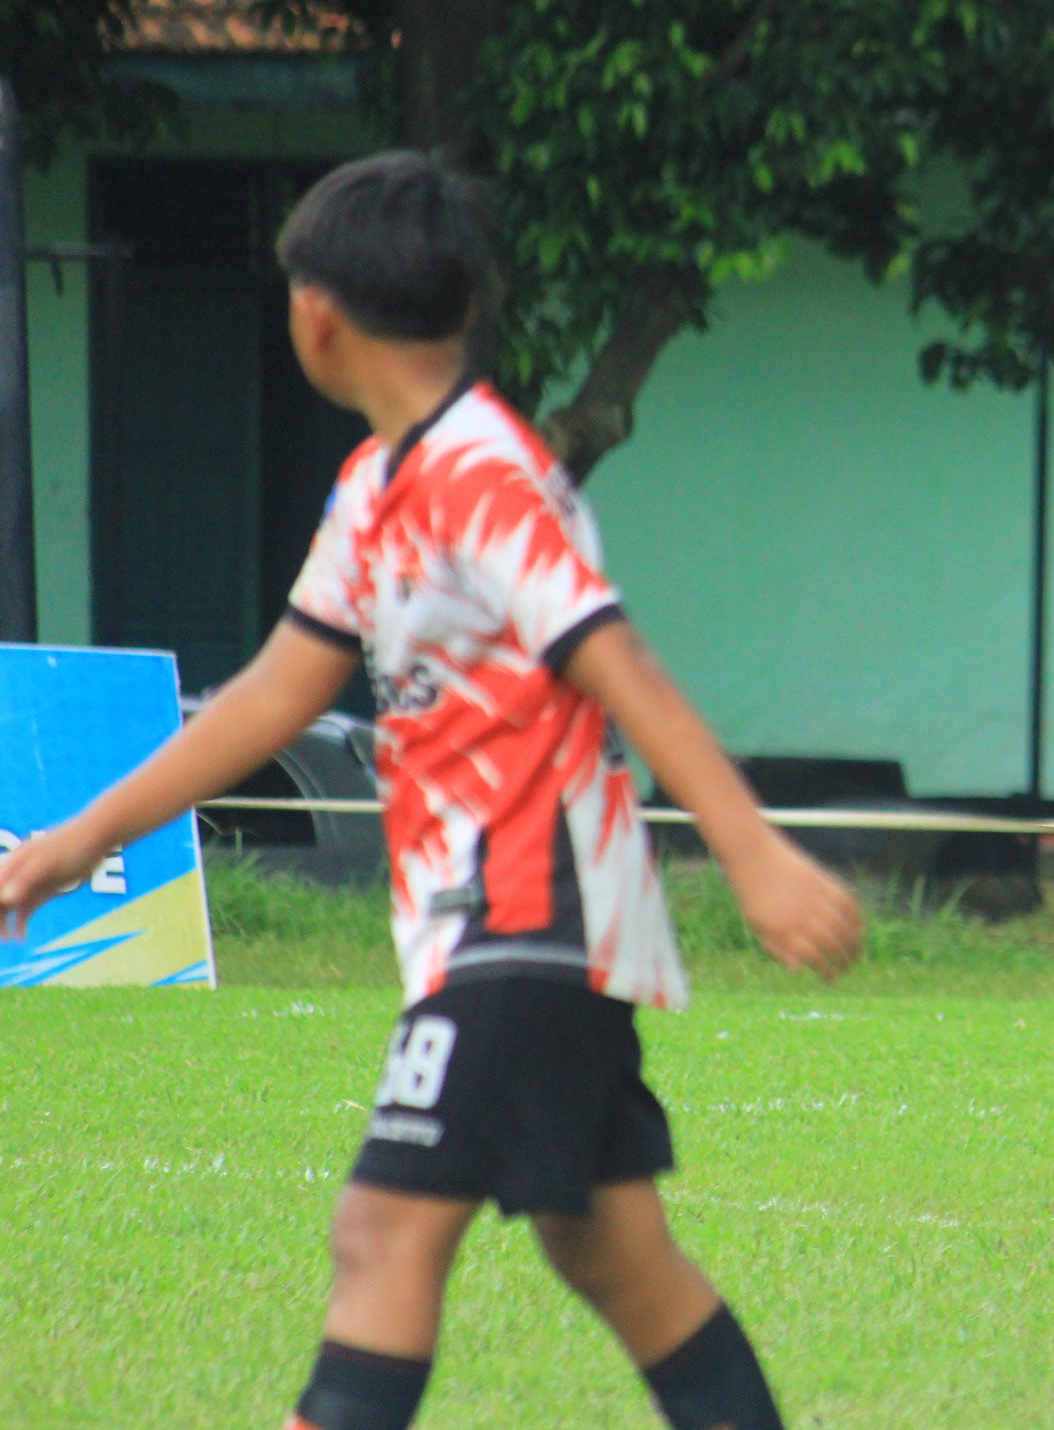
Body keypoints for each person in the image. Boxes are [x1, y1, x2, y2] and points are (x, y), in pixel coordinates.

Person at [0, 151, 863, 1430]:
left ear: (316, 314)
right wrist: (82, 837)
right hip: (498, 926)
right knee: (612, 1253)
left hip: (529, 912)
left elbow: (614, 657)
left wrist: (755, 854)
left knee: (380, 1232)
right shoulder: (376, 485)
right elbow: (275, 691)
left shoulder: (485, 472)